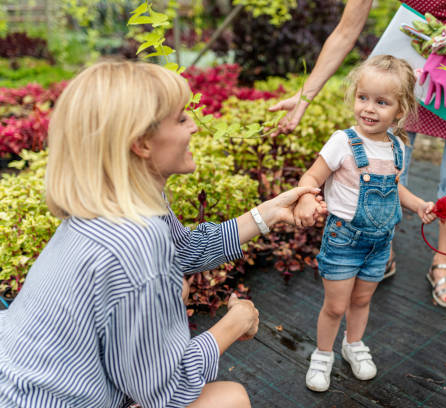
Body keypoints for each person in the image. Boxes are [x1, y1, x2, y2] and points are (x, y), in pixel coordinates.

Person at [0, 60, 324, 408]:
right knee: (230, 399)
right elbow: (166, 392)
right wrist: (236, 321)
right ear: (141, 143)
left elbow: (185, 250)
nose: (194, 128)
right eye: (182, 119)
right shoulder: (137, 241)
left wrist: (268, 213)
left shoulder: (117, 201)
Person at [270, 0, 446, 309]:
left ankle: (441, 263)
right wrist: (304, 97)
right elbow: (346, 31)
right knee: (388, 157)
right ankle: (384, 248)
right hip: (411, 47)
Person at [293, 55, 437, 392]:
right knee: (336, 305)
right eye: (363, 98)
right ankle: (323, 353)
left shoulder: (398, 148)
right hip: (344, 239)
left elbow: (393, 187)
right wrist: (303, 197)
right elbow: (313, 175)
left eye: (382, 102)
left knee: (361, 302)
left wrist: (417, 205)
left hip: (379, 243)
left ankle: (353, 344)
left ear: (400, 110)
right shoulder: (343, 142)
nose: (369, 108)